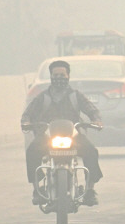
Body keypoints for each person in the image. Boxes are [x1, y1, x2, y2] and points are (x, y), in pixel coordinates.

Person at [21, 60, 104, 206]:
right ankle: (37, 189)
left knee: (91, 151)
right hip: (47, 136)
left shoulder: (76, 95)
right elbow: (28, 113)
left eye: (62, 74)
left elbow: (92, 110)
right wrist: (26, 122)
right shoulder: (43, 97)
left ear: (68, 76)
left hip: (73, 136)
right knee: (32, 152)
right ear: (51, 76)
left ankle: (90, 190)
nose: (59, 77)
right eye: (56, 75)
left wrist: (96, 120)